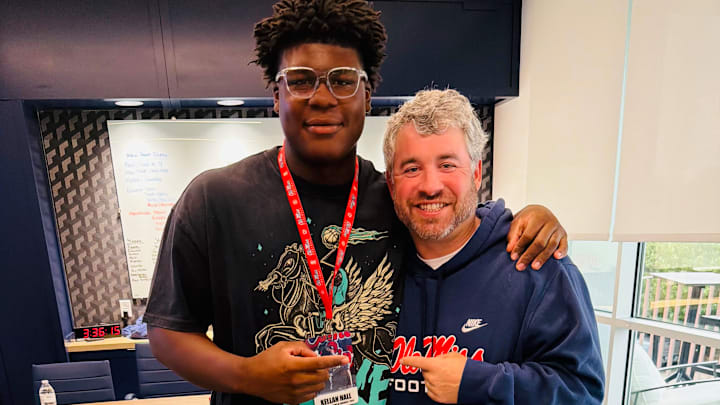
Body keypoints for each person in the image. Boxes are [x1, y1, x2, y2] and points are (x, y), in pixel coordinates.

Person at [144, 2, 568, 404]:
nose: (322, 97)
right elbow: (167, 332)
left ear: (367, 96)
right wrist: (247, 375)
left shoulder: (398, 201)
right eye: (301, 80)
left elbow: (461, 221)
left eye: (343, 80)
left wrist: (533, 219)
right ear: (276, 95)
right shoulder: (214, 199)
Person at [383, 89, 604, 404]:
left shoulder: (537, 265)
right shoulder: (373, 263)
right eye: (411, 169)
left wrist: (477, 383)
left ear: (476, 174)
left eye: (447, 165)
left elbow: (581, 393)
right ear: (391, 184)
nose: (430, 186)